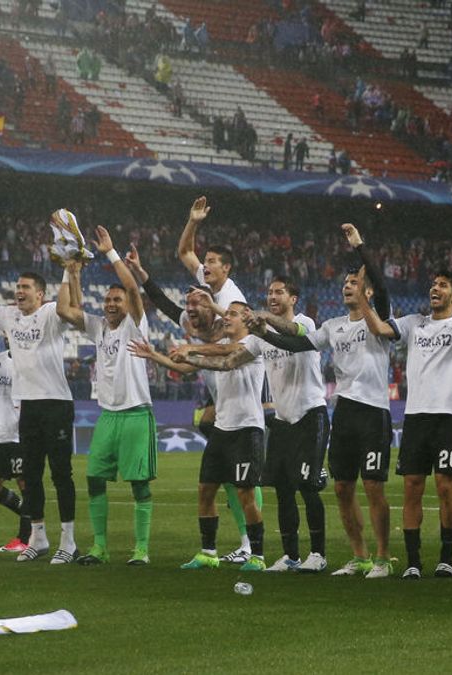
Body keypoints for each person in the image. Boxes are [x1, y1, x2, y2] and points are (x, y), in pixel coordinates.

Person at [248, 223, 398, 579]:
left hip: (374, 412)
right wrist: (263, 332)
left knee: (374, 487)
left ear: (369, 290)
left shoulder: (380, 320)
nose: (348, 287)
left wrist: (360, 247)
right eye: (345, 284)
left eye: (354, 283)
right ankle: (359, 556)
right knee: (343, 488)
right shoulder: (332, 326)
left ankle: (382, 557)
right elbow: (298, 343)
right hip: (344, 412)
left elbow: (381, 281)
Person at [0, 246, 83, 564]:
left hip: (56, 403)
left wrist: (71, 270)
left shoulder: (52, 312)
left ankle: (69, 540)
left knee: (61, 474)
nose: (18, 291)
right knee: (33, 474)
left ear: (40, 294)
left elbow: (73, 308)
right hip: (29, 407)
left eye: (25, 288)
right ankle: (38, 537)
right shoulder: (9, 316)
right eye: (17, 287)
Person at [359, 269, 452, 578]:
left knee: (445, 486)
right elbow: (379, 328)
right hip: (416, 416)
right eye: (433, 284)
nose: (435, 288)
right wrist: (366, 302)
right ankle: (413, 561)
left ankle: (446, 557)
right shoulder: (412, 324)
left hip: (447, 416)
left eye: (443, 285)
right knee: (411, 488)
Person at [131, 302, 270, 572]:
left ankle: (257, 555)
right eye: (225, 313)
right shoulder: (222, 347)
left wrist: (192, 348)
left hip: (247, 429)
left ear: (247, 319)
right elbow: (189, 366)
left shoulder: (254, 342)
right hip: (222, 429)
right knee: (205, 490)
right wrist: (154, 356)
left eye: (232, 314)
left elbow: (225, 354)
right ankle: (208, 552)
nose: (225, 317)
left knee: (245, 494)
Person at [58, 227, 158, 566]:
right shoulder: (100, 326)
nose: (112, 304)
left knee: (139, 485)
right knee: (94, 478)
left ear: (128, 305)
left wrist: (111, 253)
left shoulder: (136, 325)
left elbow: (132, 285)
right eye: (108, 300)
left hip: (135, 414)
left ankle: (141, 550)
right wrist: (72, 272)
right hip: (109, 415)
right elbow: (68, 311)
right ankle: (100, 547)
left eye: (117, 300)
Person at [174, 197, 261, 564]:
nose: (205, 266)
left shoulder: (230, 296)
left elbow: (240, 330)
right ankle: (213, 549)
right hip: (220, 390)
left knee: (242, 484)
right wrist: (193, 221)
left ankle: (250, 546)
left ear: (226, 269)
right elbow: (183, 252)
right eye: (205, 261)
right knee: (211, 473)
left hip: (239, 377)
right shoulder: (209, 284)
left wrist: (212, 315)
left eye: (212, 262)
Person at [244, 277, 331, 573]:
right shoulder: (260, 334)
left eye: (279, 292)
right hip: (282, 422)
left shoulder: (306, 322)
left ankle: (318, 554)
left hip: (310, 416)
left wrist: (265, 320)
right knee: (282, 490)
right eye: (269, 292)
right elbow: (235, 357)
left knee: (307, 487)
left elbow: (292, 337)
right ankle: (291, 556)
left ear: (293, 298)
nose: (272, 296)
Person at [0, 336, 32, 555]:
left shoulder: (31, 363)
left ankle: (25, 537)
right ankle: (29, 514)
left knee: (26, 484)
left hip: (19, 436)